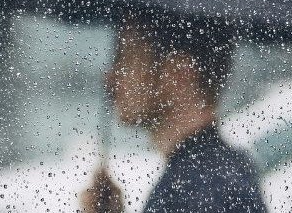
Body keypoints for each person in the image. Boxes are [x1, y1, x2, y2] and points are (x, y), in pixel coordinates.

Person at [81, 12, 267, 213]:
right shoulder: (214, 173)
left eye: (127, 59)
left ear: (178, 73)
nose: (110, 78)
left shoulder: (198, 190)